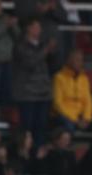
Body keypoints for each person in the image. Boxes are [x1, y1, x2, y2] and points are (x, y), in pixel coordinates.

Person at [13, 17, 54, 149]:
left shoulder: (42, 44)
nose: (39, 30)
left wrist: (51, 51)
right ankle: (25, 154)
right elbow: (30, 62)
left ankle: (38, 156)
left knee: (41, 127)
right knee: (27, 128)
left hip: (43, 93)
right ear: (28, 28)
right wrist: (46, 51)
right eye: (36, 26)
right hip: (27, 94)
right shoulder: (20, 45)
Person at [52, 49, 92, 135]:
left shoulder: (84, 78)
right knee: (68, 128)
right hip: (65, 116)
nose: (80, 63)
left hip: (81, 118)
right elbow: (57, 104)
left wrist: (86, 118)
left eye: (81, 60)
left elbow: (88, 101)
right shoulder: (59, 78)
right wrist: (75, 120)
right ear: (69, 61)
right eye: (77, 60)